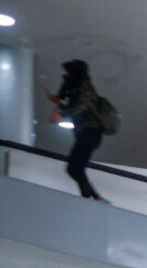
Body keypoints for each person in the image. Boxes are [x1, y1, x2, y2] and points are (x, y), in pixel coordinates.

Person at [48, 59, 107, 202]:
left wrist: (61, 113)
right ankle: (95, 198)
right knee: (74, 168)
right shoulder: (76, 87)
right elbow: (78, 107)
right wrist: (60, 104)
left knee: (75, 168)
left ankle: (91, 199)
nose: (67, 75)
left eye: (69, 72)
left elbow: (82, 105)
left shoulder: (83, 87)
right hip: (87, 134)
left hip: (91, 133)